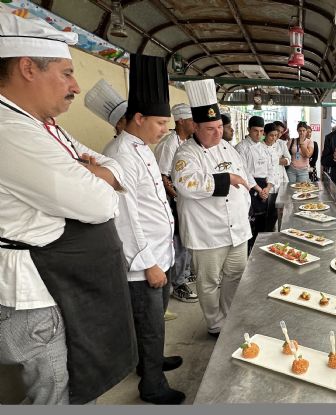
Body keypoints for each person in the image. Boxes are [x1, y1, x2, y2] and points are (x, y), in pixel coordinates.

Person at [0, 13, 136, 404]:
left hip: (66, 286)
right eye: (66, 73)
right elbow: (98, 203)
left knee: (79, 387)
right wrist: (100, 177)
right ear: (28, 67)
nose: (76, 86)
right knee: (55, 396)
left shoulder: (45, 125)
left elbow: (112, 166)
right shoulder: (11, 131)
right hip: (37, 296)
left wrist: (95, 171)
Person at [104, 54, 185, 405]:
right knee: (149, 323)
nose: (165, 129)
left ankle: (150, 362)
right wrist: (147, 262)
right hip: (143, 260)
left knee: (155, 323)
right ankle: (151, 385)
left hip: (159, 252)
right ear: (138, 118)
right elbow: (126, 215)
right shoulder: (121, 153)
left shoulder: (143, 147)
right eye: (160, 122)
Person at [172, 78, 252, 338]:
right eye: (210, 129)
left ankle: (229, 316)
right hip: (207, 234)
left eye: (220, 127)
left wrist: (247, 203)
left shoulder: (228, 147)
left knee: (235, 276)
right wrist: (227, 179)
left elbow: (245, 178)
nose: (217, 133)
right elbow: (186, 184)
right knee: (208, 283)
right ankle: (215, 324)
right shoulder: (186, 154)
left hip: (238, 229)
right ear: (195, 127)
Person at [154, 103, 198, 303]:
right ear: (180, 121)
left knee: (187, 238)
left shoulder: (187, 142)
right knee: (179, 241)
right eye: (191, 120)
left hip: (185, 199)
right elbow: (163, 176)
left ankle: (185, 273)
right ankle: (178, 284)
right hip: (174, 201)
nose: (194, 124)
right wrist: (178, 197)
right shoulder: (169, 144)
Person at [235, 115, 275, 252]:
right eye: (255, 131)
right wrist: (258, 190)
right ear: (248, 130)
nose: (259, 134)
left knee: (263, 223)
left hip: (264, 186)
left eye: (261, 131)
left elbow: (271, 169)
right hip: (250, 188)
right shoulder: (241, 147)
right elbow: (244, 172)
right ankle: (248, 252)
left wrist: (268, 187)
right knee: (250, 223)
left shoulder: (263, 147)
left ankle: (259, 251)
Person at [263, 122, 289, 231]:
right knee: (267, 212)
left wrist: (275, 161)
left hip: (281, 181)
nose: (277, 135)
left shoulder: (281, 144)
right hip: (267, 184)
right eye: (276, 131)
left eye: (280, 132)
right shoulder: (259, 147)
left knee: (278, 212)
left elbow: (288, 160)